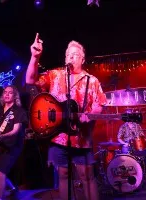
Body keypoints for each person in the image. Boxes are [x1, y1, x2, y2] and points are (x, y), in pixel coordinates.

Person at [26, 33, 107, 200]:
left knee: (86, 176)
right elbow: (30, 79)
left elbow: (100, 103)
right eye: (68, 54)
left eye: (75, 54)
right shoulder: (55, 75)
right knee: (63, 176)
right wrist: (35, 57)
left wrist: (90, 116)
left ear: (83, 59)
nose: (71, 56)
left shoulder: (91, 81)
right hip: (58, 137)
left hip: (82, 138)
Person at [0, 85, 28, 200]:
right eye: (5, 92)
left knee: (1, 172)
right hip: (0, 146)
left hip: (13, 146)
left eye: (10, 92)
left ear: (15, 96)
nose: (6, 94)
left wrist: (1, 137)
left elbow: (15, 131)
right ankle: (13, 188)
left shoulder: (19, 111)